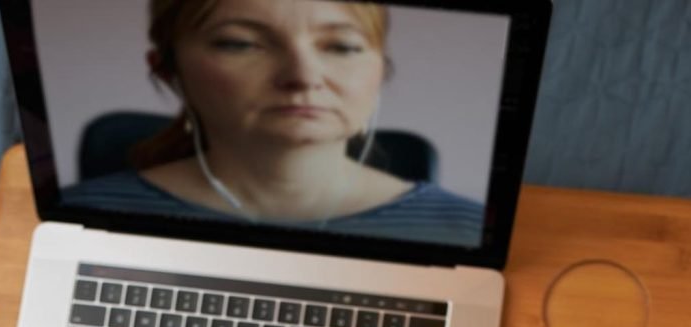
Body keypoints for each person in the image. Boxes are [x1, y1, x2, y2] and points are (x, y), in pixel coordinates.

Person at [62, 0, 485, 246]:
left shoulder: (465, 230)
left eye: (341, 46)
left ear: (380, 71)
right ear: (170, 71)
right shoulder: (80, 219)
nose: (303, 76)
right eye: (242, 43)